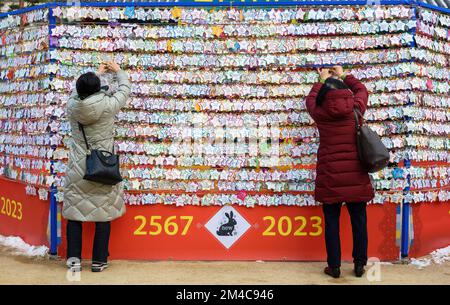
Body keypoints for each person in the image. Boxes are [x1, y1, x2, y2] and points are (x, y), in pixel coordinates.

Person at [305, 66, 375, 279]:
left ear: (325, 93)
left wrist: (321, 79)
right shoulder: (355, 108)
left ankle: (334, 266)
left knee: (332, 222)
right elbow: (362, 89)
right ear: (345, 91)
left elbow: (310, 100)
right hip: (355, 175)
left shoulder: (320, 112)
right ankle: (360, 264)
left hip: (330, 176)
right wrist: (343, 74)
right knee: (359, 221)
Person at [63, 61, 131, 272]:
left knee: (74, 213)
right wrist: (117, 71)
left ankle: (74, 261)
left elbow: (77, 91)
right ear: (97, 88)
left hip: (78, 168)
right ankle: (99, 261)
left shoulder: (72, 106)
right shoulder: (108, 106)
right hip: (101, 166)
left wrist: (95, 74)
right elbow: (124, 90)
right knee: (104, 211)